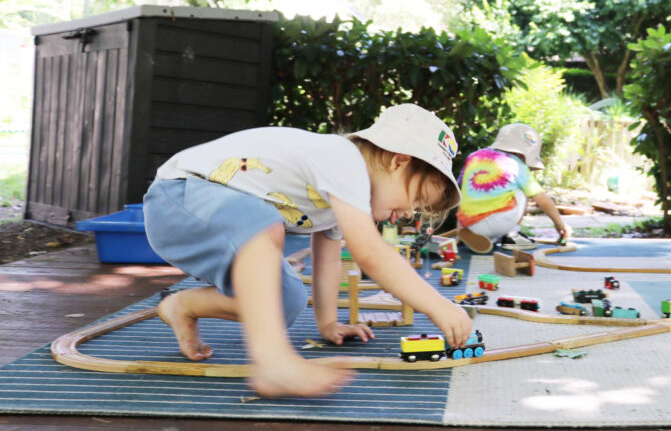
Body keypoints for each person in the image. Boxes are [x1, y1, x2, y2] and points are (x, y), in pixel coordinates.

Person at [142, 104, 473, 398]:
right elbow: (369, 253)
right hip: (177, 198)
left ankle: (182, 306)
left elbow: (327, 254)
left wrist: (328, 323)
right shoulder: (343, 158)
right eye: (414, 200)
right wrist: (437, 305)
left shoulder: (342, 199)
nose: (408, 213)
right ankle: (273, 362)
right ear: (398, 161)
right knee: (262, 223)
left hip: (212, 223)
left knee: (285, 301)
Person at [456, 123, 573, 254]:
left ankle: (480, 236)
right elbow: (543, 201)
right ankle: (512, 236)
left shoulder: (473, 157)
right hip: (496, 224)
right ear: (525, 154)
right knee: (522, 190)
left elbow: (462, 193)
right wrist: (560, 224)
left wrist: (460, 227)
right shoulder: (517, 166)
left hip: (468, 224)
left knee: (471, 189)